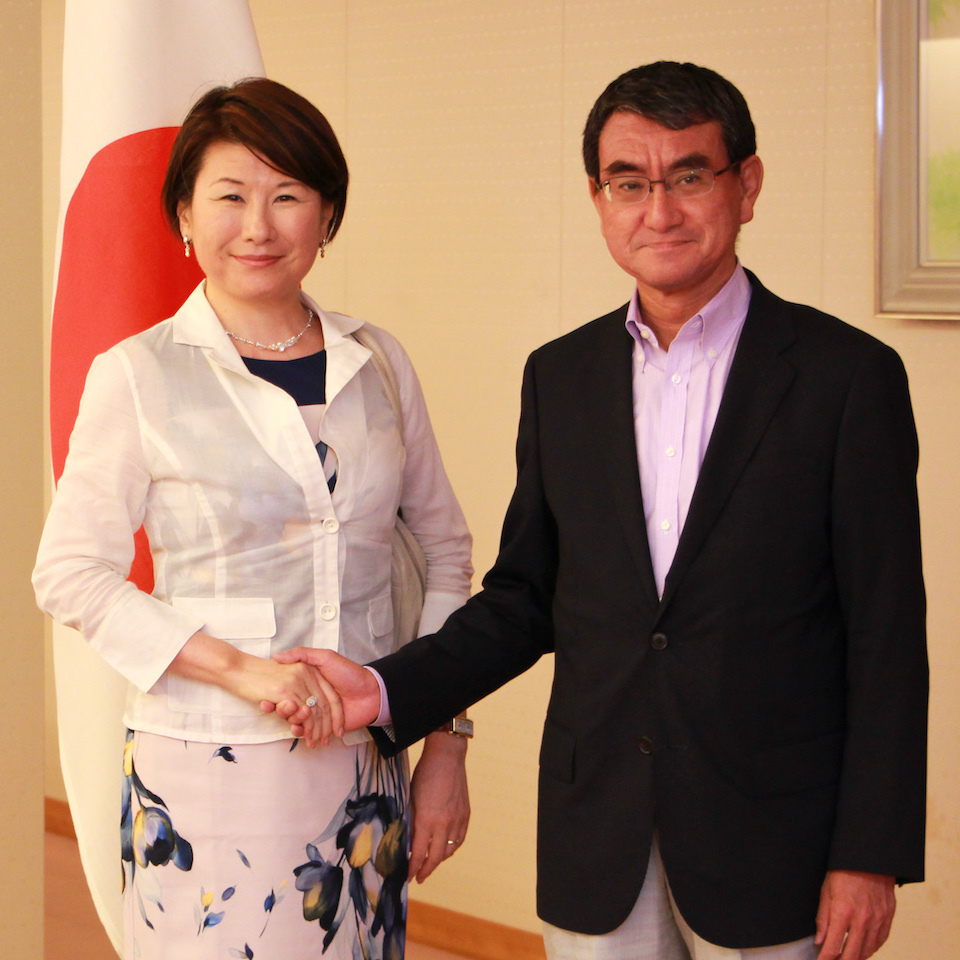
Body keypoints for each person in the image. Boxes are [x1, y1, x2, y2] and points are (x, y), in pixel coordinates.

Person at [280, 62, 928, 960]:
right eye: (629, 183)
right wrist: (389, 688)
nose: (658, 210)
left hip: (777, 842)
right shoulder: (562, 377)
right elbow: (524, 599)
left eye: (689, 176)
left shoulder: (846, 378)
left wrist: (869, 852)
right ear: (598, 198)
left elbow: (886, 635)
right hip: (598, 829)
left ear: (747, 186)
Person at [33, 77, 473, 960]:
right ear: (185, 216)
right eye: (230, 196)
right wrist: (240, 670)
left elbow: (445, 552)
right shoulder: (139, 373)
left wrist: (447, 747)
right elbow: (70, 572)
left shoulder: (379, 362)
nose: (258, 226)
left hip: (367, 767)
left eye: (288, 196)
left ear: (328, 214)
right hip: (207, 767)